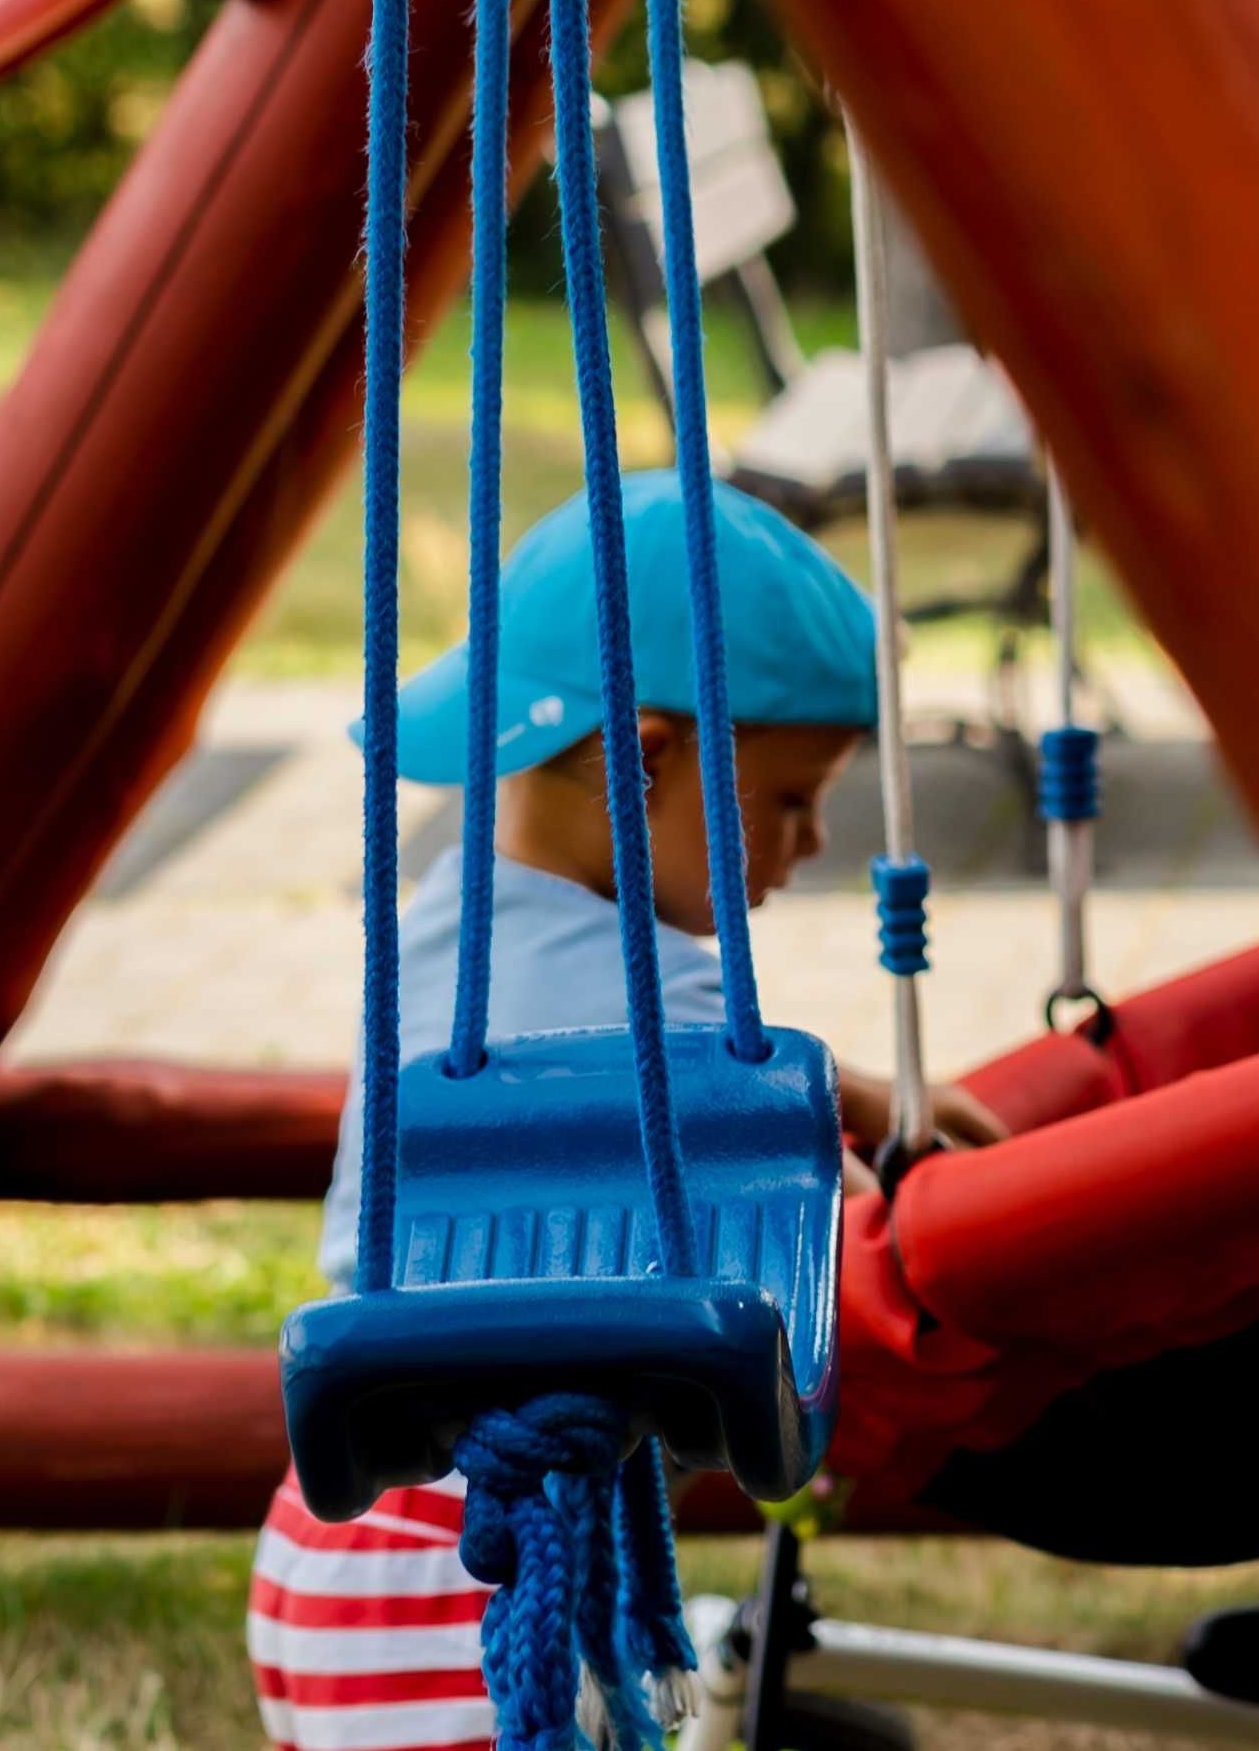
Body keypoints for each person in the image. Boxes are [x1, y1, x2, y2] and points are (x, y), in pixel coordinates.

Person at [251, 470, 999, 1751]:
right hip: (496, 1573)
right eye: (788, 800)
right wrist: (903, 1175)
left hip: (334, 1550)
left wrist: (852, 1094)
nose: (813, 841)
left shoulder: (444, 931)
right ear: (643, 758)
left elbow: (576, 1075)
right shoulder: (680, 1012)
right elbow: (829, 1222)